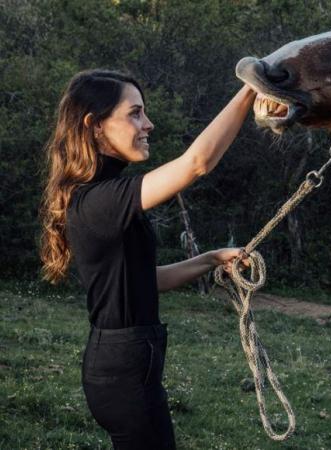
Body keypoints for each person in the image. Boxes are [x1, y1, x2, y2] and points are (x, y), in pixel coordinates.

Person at [39, 69, 256, 449]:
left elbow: (146, 279)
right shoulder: (99, 200)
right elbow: (196, 164)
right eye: (135, 113)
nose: (148, 124)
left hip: (127, 368)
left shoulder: (102, 195)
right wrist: (251, 91)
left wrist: (212, 259)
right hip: (123, 373)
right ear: (94, 126)